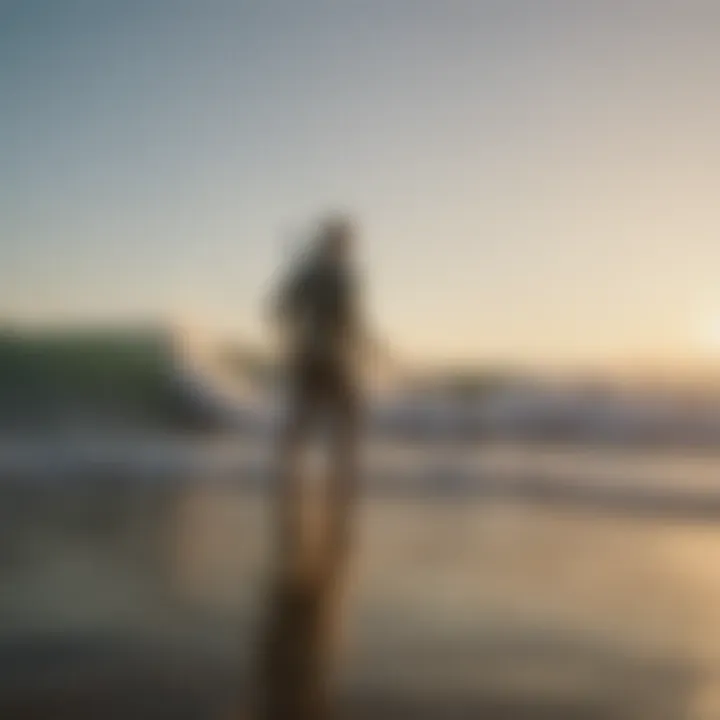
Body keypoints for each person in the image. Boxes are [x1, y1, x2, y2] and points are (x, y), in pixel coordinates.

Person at [271, 214, 365, 576]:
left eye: (347, 240)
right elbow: (283, 308)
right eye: (343, 239)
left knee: (316, 422)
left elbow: (283, 309)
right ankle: (328, 489)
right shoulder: (326, 274)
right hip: (320, 359)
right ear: (334, 241)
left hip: (321, 358)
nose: (347, 246)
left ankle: (299, 482)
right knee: (339, 421)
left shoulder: (326, 273)